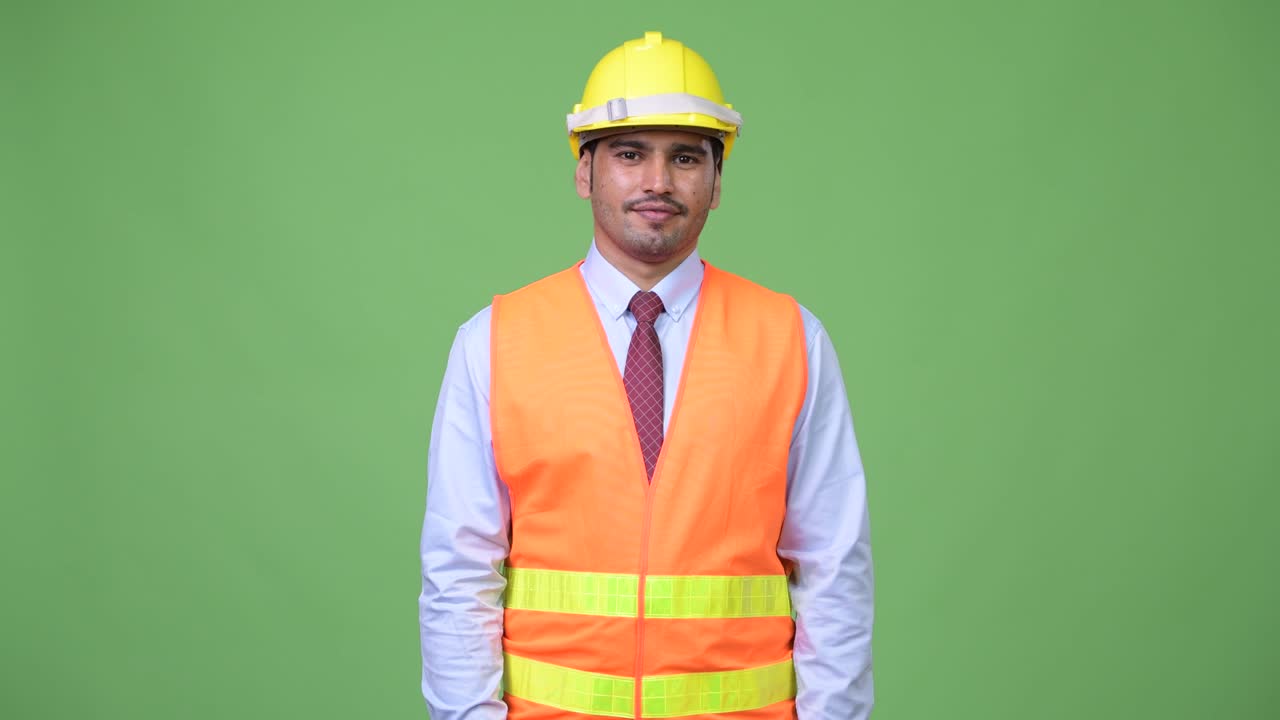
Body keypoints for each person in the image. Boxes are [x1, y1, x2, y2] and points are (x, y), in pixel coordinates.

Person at [420, 31, 873, 719]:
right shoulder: (493, 341)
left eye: (685, 157)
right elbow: (458, 572)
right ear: (584, 172)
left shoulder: (791, 339)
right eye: (630, 154)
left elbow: (836, 569)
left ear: (717, 182)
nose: (657, 181)